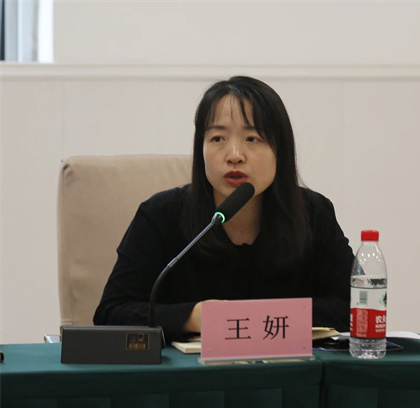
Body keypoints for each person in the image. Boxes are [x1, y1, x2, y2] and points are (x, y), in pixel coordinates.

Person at [94, 76, 354, 343]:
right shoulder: (160, 215)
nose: (234, 155)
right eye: (217, 138)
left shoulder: (313, 214)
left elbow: (357, 308)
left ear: (281, 150)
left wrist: (252, 317)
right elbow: (110, 314)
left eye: (252, 138)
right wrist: (194, 317)